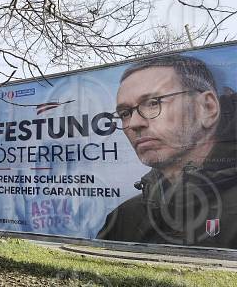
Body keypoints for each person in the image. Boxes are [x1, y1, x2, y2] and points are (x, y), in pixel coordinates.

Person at [96, 54, 237, 248]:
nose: (134, 123)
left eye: (153, 103)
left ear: (207, 107)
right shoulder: (123, 218)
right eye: (125, 113)